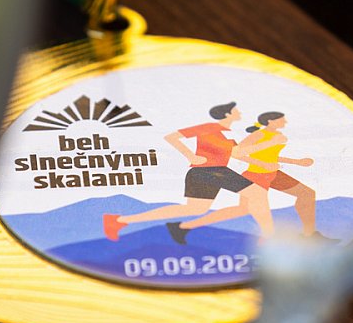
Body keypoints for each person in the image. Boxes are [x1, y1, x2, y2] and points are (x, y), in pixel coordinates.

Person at [102, 102, 264, 240]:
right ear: (228, 114)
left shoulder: (227, 134)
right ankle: (265, 234)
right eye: (236, 110)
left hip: (212, 172)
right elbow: (171, 137)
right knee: (257, 193)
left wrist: (262, 155)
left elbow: (237, 154)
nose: (239, 112)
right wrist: (191, 156)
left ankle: (120, 220)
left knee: (196, 209)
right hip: (208, 171)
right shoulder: (208, 128)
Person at [175, 111, 331, 243]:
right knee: (244, 210)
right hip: (256, 175)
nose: (285, 121)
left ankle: (309, 235)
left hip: (273, 174)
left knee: (307, 194)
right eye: (281, 119)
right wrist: (268, 150)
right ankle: (186, 227)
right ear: (270, 121)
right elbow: (238, 153)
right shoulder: (259, 134)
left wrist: (296, 162)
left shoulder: (277, 135)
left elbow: (269, 156)